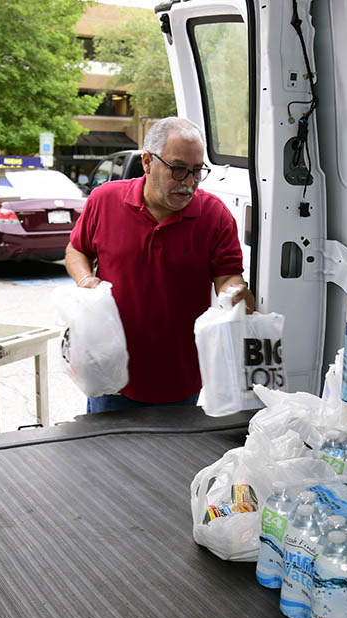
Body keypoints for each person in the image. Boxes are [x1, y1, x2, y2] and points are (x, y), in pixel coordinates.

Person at [65, 116, 255, 413]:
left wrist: (236, 294)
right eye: (178, 170)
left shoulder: (214, 215)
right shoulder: (105, 201)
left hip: (180, 379)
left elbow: (227, 276)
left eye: (196, 172)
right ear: (147, 162)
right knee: (104, 458)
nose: (189, 183)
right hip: (110, 375)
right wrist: (86, 280)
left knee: (169, 460)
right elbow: (76, 250)